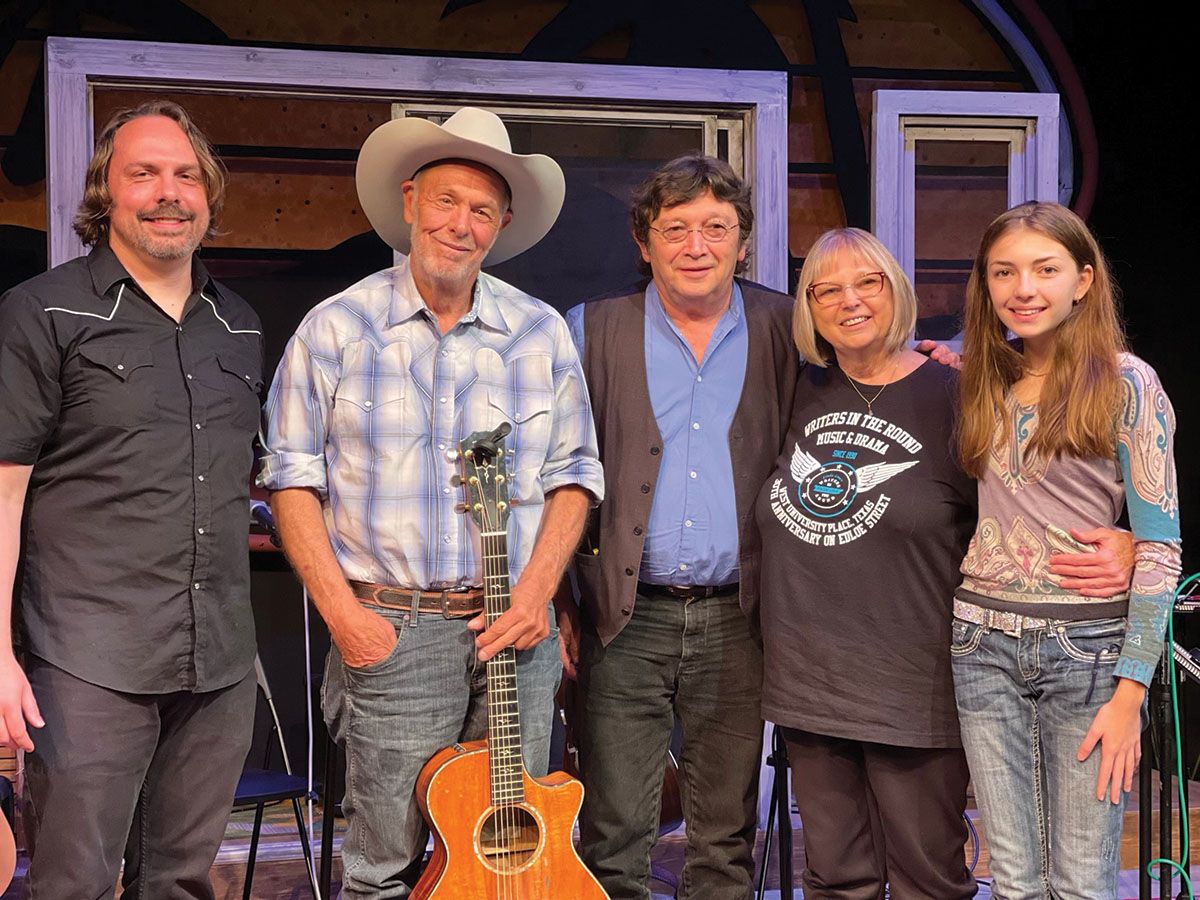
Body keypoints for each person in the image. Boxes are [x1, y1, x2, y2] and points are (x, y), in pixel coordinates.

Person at [258, 106, 604, 897]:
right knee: (383, 866)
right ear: (410, 201)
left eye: (482, 210)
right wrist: (346, 618)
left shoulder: (539, 331)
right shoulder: (336, 328)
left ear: (502, 224)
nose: (461, 224)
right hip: (394, 629)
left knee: (510, 854)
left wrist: (537, 595)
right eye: (447, 201)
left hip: (514, 631)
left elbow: (576, 474)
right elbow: (290, 478)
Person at [754, 226, 1135, 899]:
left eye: (867, 283)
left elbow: (1038, 497)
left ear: (895, 290)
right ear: (807, 308)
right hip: (809, 682)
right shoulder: (795, 389)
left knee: (927, 878)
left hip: (916, 682)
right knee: (834, 878)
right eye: (826, 290)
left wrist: (1127, 539)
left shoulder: (964, 393)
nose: (849, 301)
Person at [0, 101, 262, 898]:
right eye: (143, 173)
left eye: (186, 175)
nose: (167, 192)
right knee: (73, 881)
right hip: (86, 658)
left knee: (180, 880)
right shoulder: (43, 311)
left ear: (209, 197)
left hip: (216, 659)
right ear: (105, 193)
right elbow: (4, 490)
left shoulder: (239, 325)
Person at [561, 155, 798, 900]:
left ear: (743, 241)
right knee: (613, 835)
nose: (696, 246)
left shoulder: (789, 327)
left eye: (715, 228)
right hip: (621, 619)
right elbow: (555, 474)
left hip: (741, 618)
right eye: (676, 229)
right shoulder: (590, 330)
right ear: (645, 242)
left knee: (725, 839)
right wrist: (557, 597)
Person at [952, 201, 1180, 900]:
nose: (1024, 288)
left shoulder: (1126, 382)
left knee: (1082, 883)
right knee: (1013, 880)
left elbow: (1162, 549)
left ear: (1083, 279)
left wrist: (1130, 690)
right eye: (1005, 272)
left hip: (1088, 655)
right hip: (981, 647)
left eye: (1044, 270)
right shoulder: (983, 379)